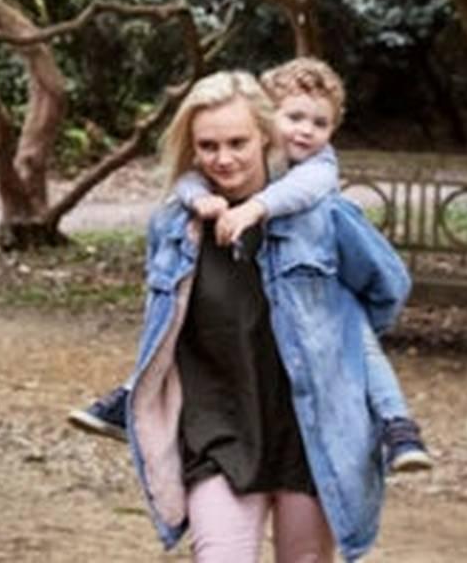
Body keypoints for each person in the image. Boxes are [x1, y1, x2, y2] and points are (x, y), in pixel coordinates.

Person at [68, 58, 433, 475]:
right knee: (172, 318)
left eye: (320, 123)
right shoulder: (237, 164)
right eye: (294, 117)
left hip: (324, 303)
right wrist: (198, 200)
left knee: (358, 336)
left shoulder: (318, 170)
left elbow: (314, 203)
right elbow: (189, 177)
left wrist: (256, 208)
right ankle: (132, 395)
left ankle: (396, 425)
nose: (305, 131)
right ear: (266, 119)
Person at [124, 70, 411, 561]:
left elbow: (388, 288)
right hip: (218, 431)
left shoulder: (324, 215)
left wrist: (339, 343)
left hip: (310, 432)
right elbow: (161, 332)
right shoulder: (173, 227)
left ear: (265, 135)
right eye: (208, 146)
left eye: (237, 142)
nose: (224, 158)